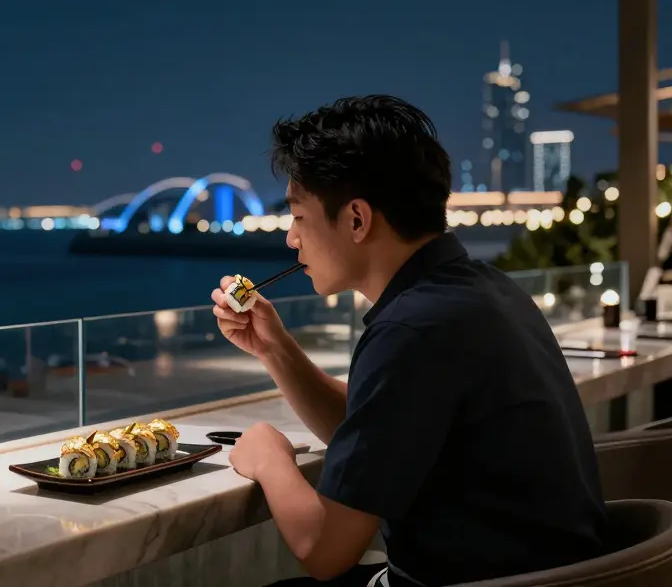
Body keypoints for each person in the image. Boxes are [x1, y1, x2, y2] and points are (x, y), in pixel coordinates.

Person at [211, 95, 606, 586]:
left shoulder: (410, 329)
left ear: (357, 219)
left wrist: (270, 458)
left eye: (298, 217)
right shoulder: (487, 291)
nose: (291, 239)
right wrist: (274, 348)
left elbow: (324, 549)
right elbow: (376, 430)